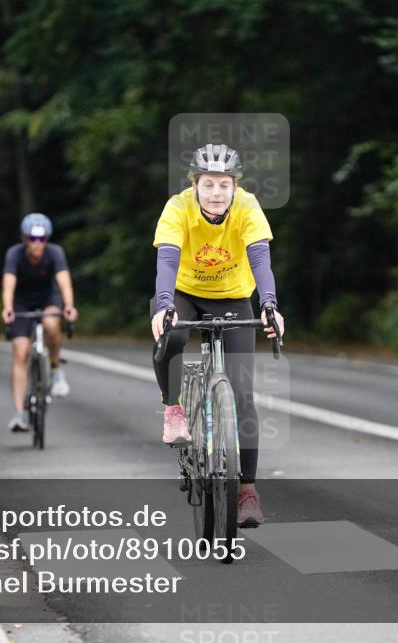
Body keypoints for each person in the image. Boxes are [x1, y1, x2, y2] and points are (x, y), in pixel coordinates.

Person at [150, 143, 285, 528]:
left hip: (233, 297)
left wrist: (269, 305)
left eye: (223, 185)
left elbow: (260, 257)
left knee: (243, 395)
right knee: (172, 336)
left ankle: (247, 491)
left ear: (234, 186)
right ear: (195, 184)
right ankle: (174, 407)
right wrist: (164, 305)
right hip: (184, 294)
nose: (215, 193)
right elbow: (167, 259)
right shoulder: (177, 208)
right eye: (208, 184)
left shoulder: (247, 206)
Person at [1, 213, 79, 431]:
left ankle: (55, 370)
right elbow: (8, 284)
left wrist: (69, 305)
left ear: (47, 239)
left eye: (42, 239)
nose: (37, 244)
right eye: (32, 239)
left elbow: (64, 282)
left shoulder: (55, 253)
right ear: (24, 239)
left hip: (48, 298)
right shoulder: (14, 254)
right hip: (21, 301)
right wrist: (7, 308)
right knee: (20, 353)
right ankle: (19, 414)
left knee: (52, 324)